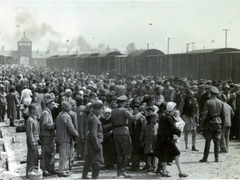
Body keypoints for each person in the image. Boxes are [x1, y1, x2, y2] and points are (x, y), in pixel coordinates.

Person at [111, 95, 142, 178]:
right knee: (128, 152)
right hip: (123, 131)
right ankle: (123, 171)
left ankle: (118, 172)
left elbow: (112, 123)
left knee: (119, 153)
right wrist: (140, 113)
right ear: (124, 102)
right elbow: (134, 118)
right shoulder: (125, 110)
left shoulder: (113, 111)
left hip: (116, 132)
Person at [154, 102, 187, 178]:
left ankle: (164, 172)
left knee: (165, 155)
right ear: (172, 109)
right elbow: (173, 128)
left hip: (163, 140)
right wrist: (179, 131)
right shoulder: (168, 117)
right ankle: (180, 172)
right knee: (177, 154)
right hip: (168, 140)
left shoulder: (163, 116)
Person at [200, 86, 225, 163]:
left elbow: (204, 114)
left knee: (208, 141)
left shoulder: (208, 102)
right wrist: (222, 125)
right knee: (216, 141)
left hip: (209, 123)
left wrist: (201, 124)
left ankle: (205, 157)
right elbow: (223, 115)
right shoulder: (221, 103)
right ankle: (216, 158)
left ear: (211, 93)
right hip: (218, 123)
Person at [56, 101, 79, 177]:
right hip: (65, 138)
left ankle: (64, 169)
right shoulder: (67, 116)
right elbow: (71, 128)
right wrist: (76, 134)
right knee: (65, 155)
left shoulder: (59, 115)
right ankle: (62, 170)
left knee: (63, 154)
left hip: (59, 137)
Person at [82, 101, 104, 179]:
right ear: (97, 109)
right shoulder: (94, 119)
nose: (102, 111)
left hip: (90, 141)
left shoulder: (91, 116)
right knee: (98, 161)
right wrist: (97, 145)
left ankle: (84, 176)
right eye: (102, 109)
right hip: (95, 141)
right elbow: (93, 134)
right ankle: (95, 177)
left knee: (89, 159)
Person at [40, 94, 57, 176]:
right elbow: (45, 124)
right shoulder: (45, 113)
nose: (53, 106)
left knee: (50, 152)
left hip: (49, 134)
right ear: (48, 104)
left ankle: (49, 168)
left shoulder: (48, 112)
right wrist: (54, 125)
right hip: (46, 135)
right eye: (52, 104)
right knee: (46, 152)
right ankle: (44, 169)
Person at [26, 103, 39, 178]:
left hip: (35, 140)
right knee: (31, 157)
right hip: (32, 141)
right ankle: (30, 173)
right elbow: (29, 132)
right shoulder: (30, 120)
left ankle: (34, 173)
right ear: (32, 110)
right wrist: (32, 142)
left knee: (35, 158)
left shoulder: (34, 118)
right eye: (36, 109)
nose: (37, 110)